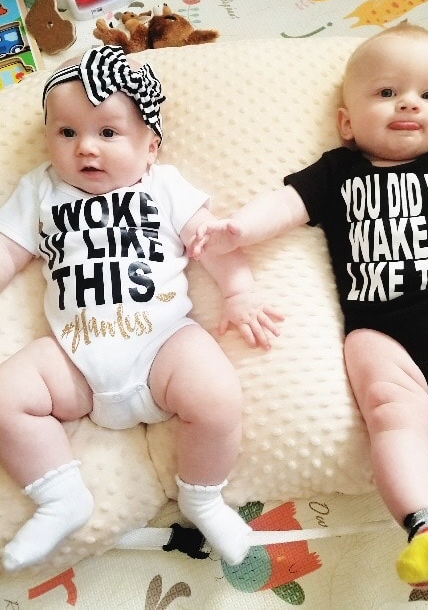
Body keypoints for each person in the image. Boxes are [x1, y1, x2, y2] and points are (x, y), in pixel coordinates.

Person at [188, 23, 428, 589]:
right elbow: (284, 204)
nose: (408, 102)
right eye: (386, 93)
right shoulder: (337, 171)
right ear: (346, 121)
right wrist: (237, 230)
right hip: (377, 332)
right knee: (391, 414)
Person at [0, 45, 283, 572]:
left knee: (218, 398)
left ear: (150, 147)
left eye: (108, 133)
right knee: (6, 396)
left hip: (162, 345)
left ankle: (202, 498)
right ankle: (61, 496)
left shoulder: (164, 187)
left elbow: (214, 243)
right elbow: (9, 250)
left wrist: (240, 291)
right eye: (67, 133)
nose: (86, 147)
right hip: (73, 358)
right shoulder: (39, 191)